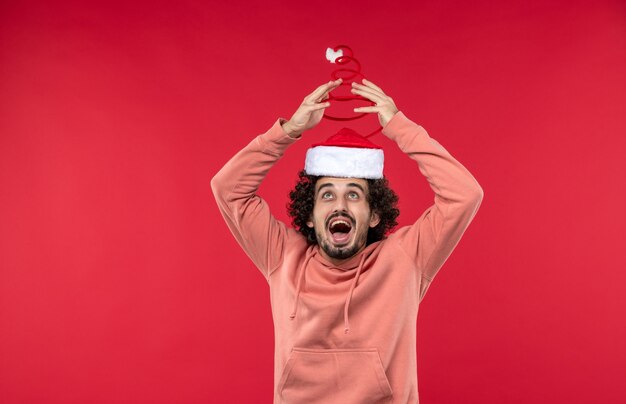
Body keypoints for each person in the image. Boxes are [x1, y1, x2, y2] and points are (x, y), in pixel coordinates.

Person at [211, 77, 484, 403]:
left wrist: (400, 127)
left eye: (354, 194)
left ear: (374, 215)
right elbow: (228, 189)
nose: (340, 205)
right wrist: (288, 130)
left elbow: (465, 196)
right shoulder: (283, 256)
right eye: (327, 195)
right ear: (310, 215)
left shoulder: (403, 259)